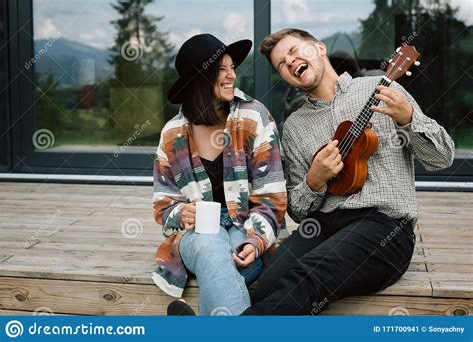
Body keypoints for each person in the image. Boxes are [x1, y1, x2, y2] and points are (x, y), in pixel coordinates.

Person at [238, 28, 455, 315]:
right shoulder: (294, 127)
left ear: (319, 49)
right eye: (281, 64)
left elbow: (442, 157)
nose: (289, 62)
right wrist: (314, 181)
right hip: (323, 226)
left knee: (307, 276)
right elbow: (300, 212)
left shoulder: (383, 89)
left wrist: (409, 119)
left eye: (294, 51)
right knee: (267, 286)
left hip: (384, 227)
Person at [151, 33, 287, 316]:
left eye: (232, 68)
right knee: (210, 243)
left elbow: (272, 198)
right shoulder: (172, 134)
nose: (231, 76)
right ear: (200, 79)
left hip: (247, 227)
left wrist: (256, 241)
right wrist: (182, 213)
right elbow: (164, 208)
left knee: (229, 260)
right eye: (221, 70)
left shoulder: (254, 118)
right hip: (196, 237)